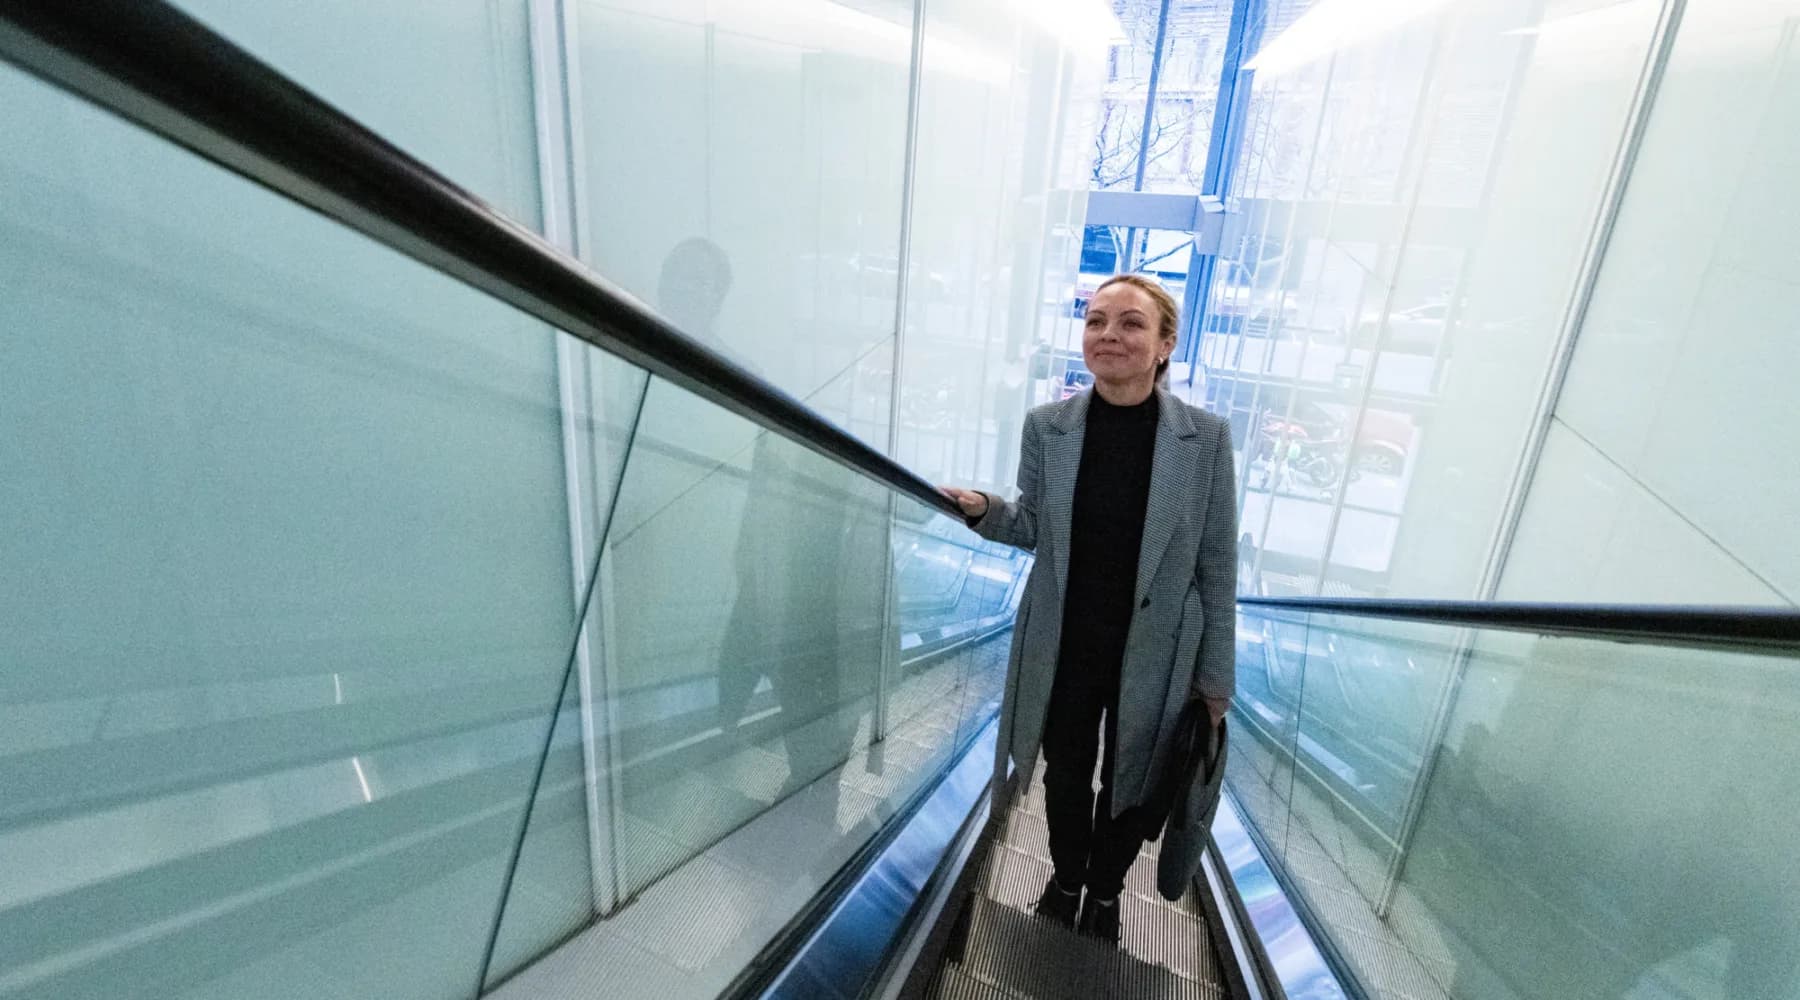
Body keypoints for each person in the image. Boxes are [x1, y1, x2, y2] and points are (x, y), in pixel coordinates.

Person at [941, 274, 1238, 945]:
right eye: (1095, 320)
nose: (1108, 336)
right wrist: (987, 513)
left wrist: (1216, 678)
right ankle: (1067, 876)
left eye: (1130, 324)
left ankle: (1106, 890)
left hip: (1159, 648)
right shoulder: (1049, 428)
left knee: (1132, 780)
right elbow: (1033, 523)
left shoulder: (1205, 441)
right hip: (1067, 639)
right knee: (1066, 773)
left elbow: (1217, 566)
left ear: (1165, 344)